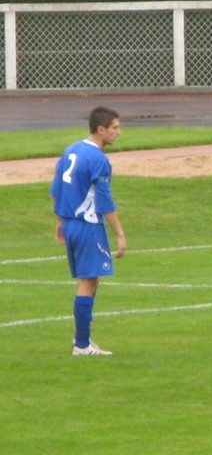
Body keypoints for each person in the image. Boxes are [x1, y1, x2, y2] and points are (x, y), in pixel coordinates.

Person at [50, 107, 127, 356]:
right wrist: (120, 234)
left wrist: (60, 221)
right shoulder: (99, 159)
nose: (119, 132)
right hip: (87, 225)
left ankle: (83, 341)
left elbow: (57, 188)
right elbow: (104, 201)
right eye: (115, 128)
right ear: (101, 129)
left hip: (71, 223)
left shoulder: (71, 149)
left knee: (90, 281)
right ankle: (82, 344)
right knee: (88, 282)